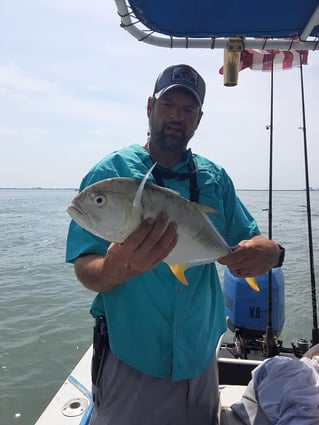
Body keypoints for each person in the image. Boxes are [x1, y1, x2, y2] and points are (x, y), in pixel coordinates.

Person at [66, 64, 285, 425]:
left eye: (188, 109)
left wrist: (271, 252)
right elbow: (85, 269)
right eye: (169, 104)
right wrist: (115, 267)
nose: (176, 116)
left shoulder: (214, 178)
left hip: (199, 358)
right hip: (132, 357)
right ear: (150, 106)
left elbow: (252, 237)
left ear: (198, 119)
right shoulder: (110, 175)